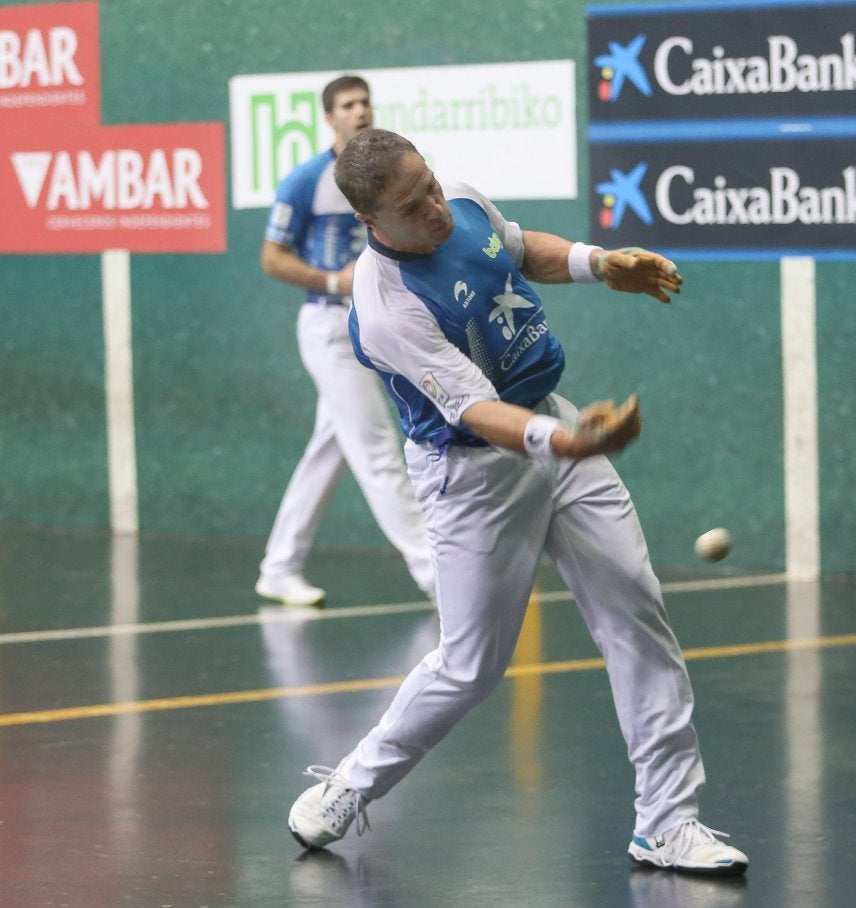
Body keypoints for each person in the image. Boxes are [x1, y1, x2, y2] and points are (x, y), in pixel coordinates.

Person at [285, 128, 748, 876]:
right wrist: (565, 444)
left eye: (431, 185)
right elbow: (475, 413)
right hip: (473, 478)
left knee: (636, 607)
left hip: (557, 427)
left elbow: (512, 247)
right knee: (470, 666)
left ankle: (667, 821)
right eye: (413, 205)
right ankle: (352, 783)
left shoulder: (459, 202)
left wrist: (600, 264)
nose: (436, 208)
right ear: (372, 225)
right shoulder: (386, 306)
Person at [256, 76, 434, 608]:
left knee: (332, 445)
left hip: (378, 324)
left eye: (365, 103)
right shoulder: (306, 180)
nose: (360, 112)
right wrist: (337, 281)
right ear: (330, 117)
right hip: (331, 328)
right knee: (378, 450)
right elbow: (272, 258)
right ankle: (439, 577)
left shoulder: (383, 177)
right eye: (347, 106)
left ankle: (280, 566)